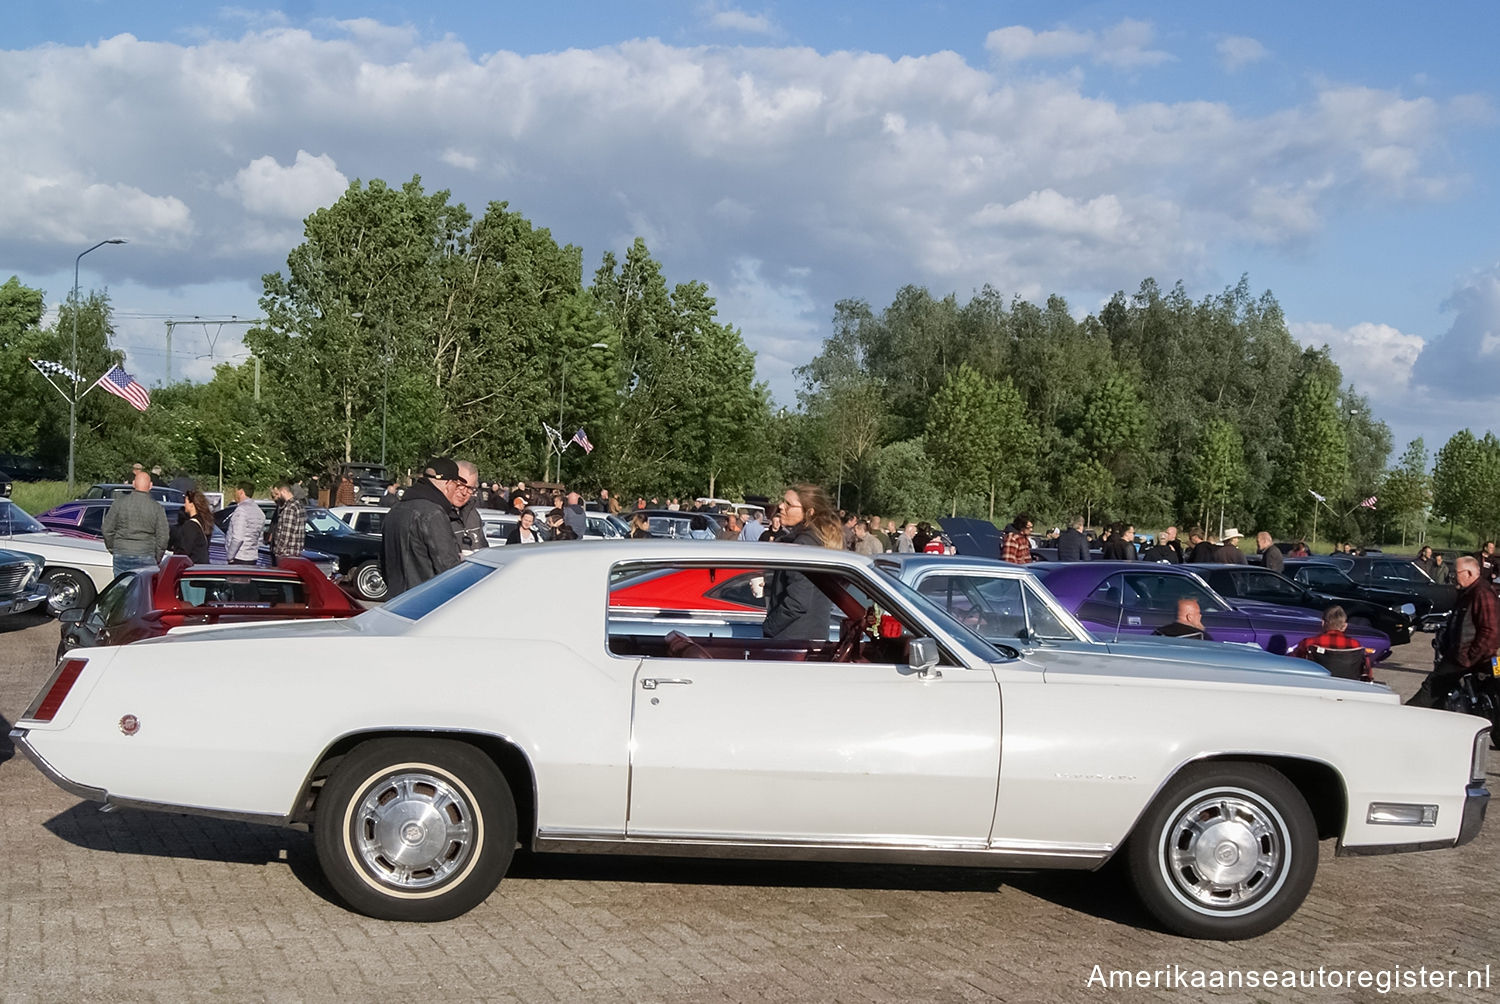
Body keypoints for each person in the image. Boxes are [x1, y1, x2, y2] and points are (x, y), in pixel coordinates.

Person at [1407, 556, 1500, 709]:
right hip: (1468, 654)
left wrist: (1468, 657)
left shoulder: (1481, 593)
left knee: (1431, 689)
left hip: (1467, 656)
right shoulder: (1469, 592)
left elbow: (1491, 631)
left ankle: (1406, 718)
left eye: (1456, 573)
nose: (1453, 577)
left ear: (1469, 573)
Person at [763, 484, 841, 640]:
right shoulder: (817, 542)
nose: (780, 506)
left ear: (809, 513)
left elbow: (798, 602)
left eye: (788, 504)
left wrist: (769, 627)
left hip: (794, 641)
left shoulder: (803, 546)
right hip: (809, 637)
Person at [381, 458, 468, 596]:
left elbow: (384, 565)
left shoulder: (395, 510)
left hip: (394, 602)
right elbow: (449, 568)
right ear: (448, 484)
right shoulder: (433, 514)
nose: (456, 491)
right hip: (424, 604)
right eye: (456, 485)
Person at [100, 468, 170, 578]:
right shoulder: (157, 508)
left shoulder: (119, 503)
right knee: (143, 592)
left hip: (122, 553)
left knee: (123, 589)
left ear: (133, 484)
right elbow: (163, 536)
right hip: (146, 553)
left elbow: (107, 529)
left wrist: (114, 548)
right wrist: (157, 556)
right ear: (151, 486)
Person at [1289, 605, 1371, 680]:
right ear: (1345, 626)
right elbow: (1367, 673)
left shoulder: (1309, 643)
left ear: (1323, 623)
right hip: (1347, 688)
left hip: (1316, 685)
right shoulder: (1355, 645)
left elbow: (1294, 664)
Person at [224, 481, 266, 566]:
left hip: (238, 557)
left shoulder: (241, 510)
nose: (234, 494)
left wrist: (230, 556)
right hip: (252, 557)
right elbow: (260, 538)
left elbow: (237, 538)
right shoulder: (259, 511)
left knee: (235, 579)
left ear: (241, 492)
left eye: (235, 491)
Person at [453, 461, 490, 553]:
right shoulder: (437, 515)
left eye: (470, 488)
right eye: (460, 485)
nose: (464, 492)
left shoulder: (474, 515)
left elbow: (484, 549)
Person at [169, 489, 213, 565]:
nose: (184, 505)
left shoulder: (190, 525)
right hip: (203, 565)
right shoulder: (204, 522)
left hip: (193, 567)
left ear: (192, 504)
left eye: (185, 502)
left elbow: (184, 550)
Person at [271, 479, 307, 565]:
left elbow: (285, 535)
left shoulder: (289, 508)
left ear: (283, 491)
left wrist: (277, 551)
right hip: (296, 553)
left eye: (277, 494)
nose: (276, 497)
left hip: (286, 555)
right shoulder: (299, 506)